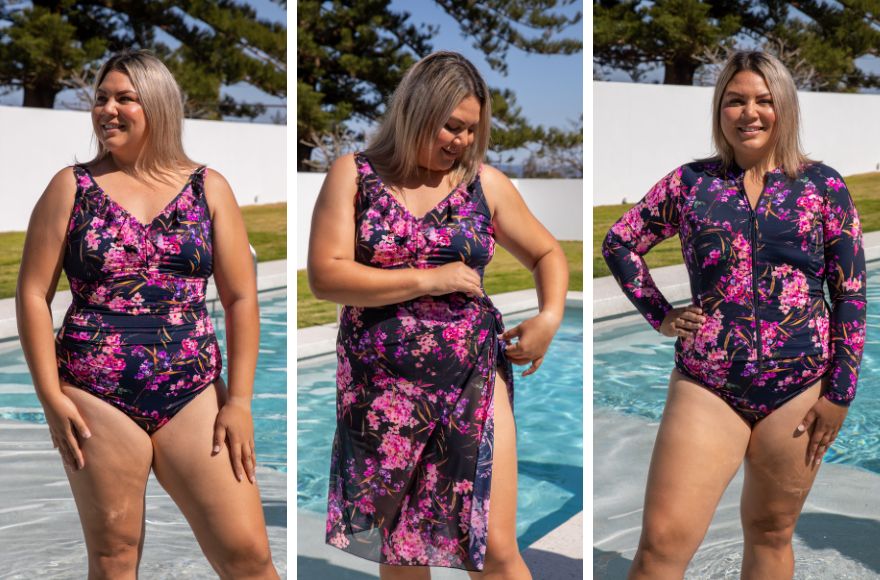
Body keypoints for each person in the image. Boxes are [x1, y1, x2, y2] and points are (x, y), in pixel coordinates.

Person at [15, 50, 279, 578]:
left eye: (124, 98)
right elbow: (31, 294)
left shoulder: (210, 188)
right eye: (100, 99)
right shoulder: (71, 187)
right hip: (95, 393)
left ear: (156, 105)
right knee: (114, 557)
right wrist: (50, 397)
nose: (107, 110)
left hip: (193, 391)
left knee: (247, 556)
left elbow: (241, 298)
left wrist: (241, 402)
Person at [603, 51, 866, 579]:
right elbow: (620, 241)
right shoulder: (691, 183)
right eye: (735, 100)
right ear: (719, 110)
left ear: (784, 108)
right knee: (661, 544)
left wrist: (838, 393)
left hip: (800, 386)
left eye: (764, 100)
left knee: (771, 534)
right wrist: (659, 313)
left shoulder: (823, 187)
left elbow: (852, 293)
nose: (750, 112)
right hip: (708, 382)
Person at [308, 51, 569, 579]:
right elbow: (326, 276)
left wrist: (550, 316)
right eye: (452, 126)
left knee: (494, 547)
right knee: (402, 551)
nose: (462, 141)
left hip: (472, 374)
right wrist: (429, 278)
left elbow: (548, 254)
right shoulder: (353, 176)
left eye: (472, 131)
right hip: (377, 389)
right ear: (415, 111)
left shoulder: (485, 185)